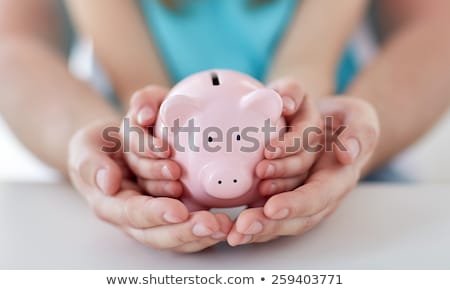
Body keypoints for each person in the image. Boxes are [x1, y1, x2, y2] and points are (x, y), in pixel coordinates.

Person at [0, 0, 449, 253]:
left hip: (343, 172)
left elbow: (436, 31)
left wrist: (344, 136)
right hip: (128, 179)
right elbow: (14, 43)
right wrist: (97, 139)